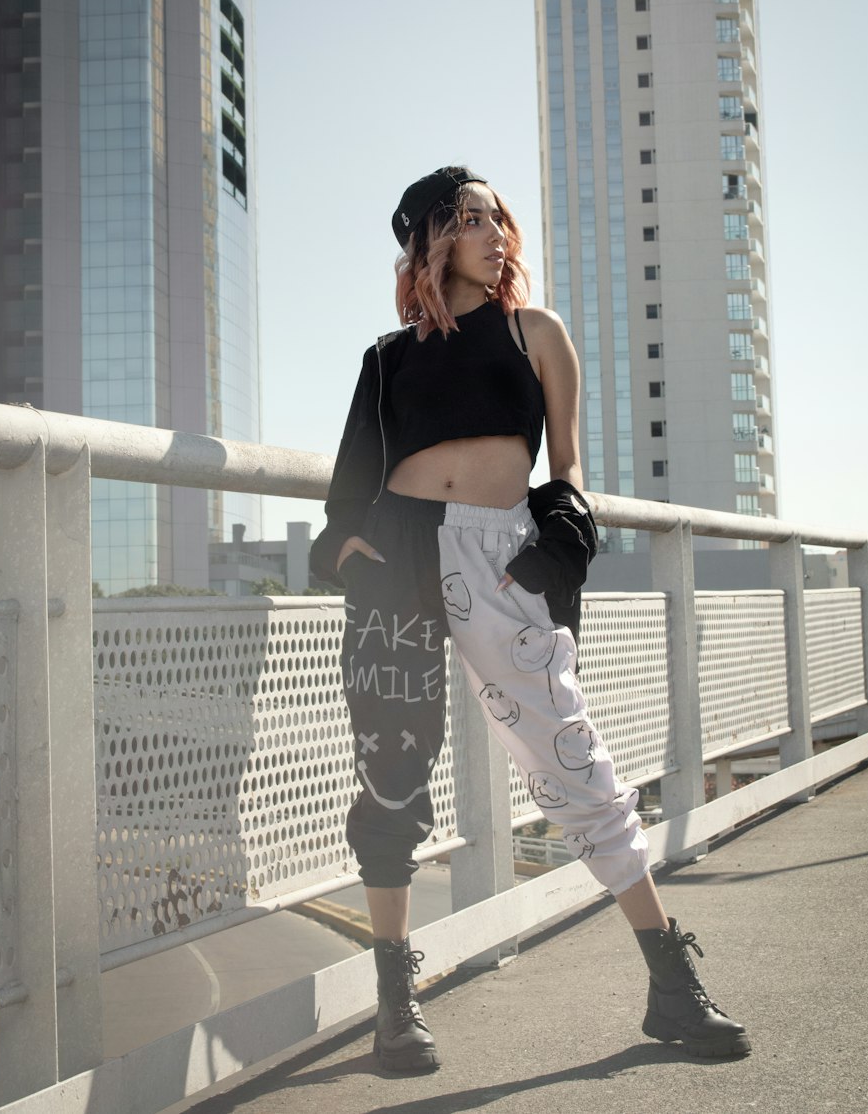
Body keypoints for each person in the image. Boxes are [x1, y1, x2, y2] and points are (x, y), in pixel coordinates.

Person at [310, 166, 749, 1071]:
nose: (494, 232)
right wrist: (351, 553)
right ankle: (397, 999)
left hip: (496, 555)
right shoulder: (387, 358)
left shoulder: (534, 332)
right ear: (432, 240)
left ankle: (671, 983)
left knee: (572, 755)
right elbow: (347, 487)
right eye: (470, 220)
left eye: (497, 218)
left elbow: (570, 466)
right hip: (397, 558)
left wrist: (555, 542)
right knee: (392, 773)